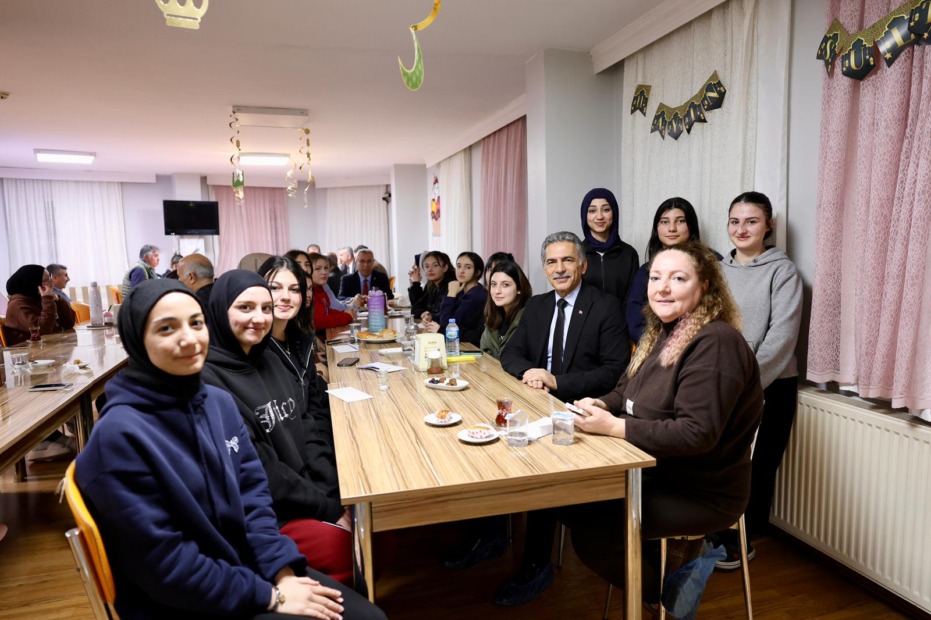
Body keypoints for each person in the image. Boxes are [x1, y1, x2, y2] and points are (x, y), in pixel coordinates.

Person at [73, 279, 384, 619]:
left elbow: (253, 500)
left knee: (367, 615)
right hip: (184, 601)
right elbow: (164, 567)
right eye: (166, 328)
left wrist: (283, 572)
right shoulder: (119, 437)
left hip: (244, 570)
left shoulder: (217, 403)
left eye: (196, 323)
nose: (189, 338)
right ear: (136, 339)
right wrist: (272, 596)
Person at [496, 241, 763, 609]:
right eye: (655, 278)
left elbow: (696, 433)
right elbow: (624, 390)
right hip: (653, 470)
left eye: (678, 278)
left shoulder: (715, 342)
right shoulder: (664, 332)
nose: (662, 288)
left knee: (593, 534)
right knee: (565, 502)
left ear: (704, 287)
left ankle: (670, 593)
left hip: (700, 491)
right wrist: (601, 403)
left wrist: (613, 427)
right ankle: (667, 568)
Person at [200, 271, 352, 586]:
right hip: (269, 513)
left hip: (305, 490)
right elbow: (262, 471)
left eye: (265, 309)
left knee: (375, 523)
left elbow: (307, 427)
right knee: (353, 549)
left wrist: (331, 492)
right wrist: (326, 507)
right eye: (245, 308)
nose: (259, 318)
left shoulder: (270, 358)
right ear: (220, 311)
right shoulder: (209, 381)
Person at [713, 191, 803, 569]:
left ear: (768, 226)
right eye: (735, 221)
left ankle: (742, 541)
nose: (742, 229)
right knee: (721, 462)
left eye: (751, 221)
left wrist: (743, 384)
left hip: (769, 384)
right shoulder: (716, 271)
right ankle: (716, 529)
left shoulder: (783, 272)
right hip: (719, 383)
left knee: (758, 465)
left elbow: (781, 339)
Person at [500, 232, 629, 404]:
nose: (559, 269)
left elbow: (614, 370)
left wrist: (556, 382)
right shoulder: (535, 305)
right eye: (551, 262)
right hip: (537, 397)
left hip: (581, 404)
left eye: (567, 260)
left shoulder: (606, 307)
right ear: (545, 270)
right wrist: (531, 373)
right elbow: (510, 352)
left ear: (583, 266)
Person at [258, 257, 333, 437]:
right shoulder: (255, 349)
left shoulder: (301, 340)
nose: (286, 297)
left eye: (295, 289)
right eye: (274, 288)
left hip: (315, 439)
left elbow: (314, 406)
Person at [626, 197, 712, 342]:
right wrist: (657, 347)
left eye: (680, 221)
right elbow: (635, 320)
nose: (672, 228)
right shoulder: (645, 271)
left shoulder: (710, 263)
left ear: (691, 226)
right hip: (653, 346)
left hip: (699, 344)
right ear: (657, 228)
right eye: (665, 222)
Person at [579, 188, 639, 308]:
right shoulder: (576, 253)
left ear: (614, 213)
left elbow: (632, 298)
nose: (599, 216)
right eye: (592, 211)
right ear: (585, 215)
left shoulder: (629, 253)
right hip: (584, 319)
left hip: (620, 319)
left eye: (606, 209)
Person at [424, 252, 487, 347]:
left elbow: (449, 325)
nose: (461, 271)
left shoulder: (476, 296)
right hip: (460, 343)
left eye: (468, 267)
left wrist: (450, 295)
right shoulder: (463, 290)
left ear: (477, 272)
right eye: (458, 266)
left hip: (470, 347)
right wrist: (432, 316)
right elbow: (451, 315)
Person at [4, 265, 77, 345]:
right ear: (33, 283)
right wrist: (47, 299)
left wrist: (59, 300)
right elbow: (43, 329)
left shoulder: (39, 298)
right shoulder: (17, 305)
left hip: (45, 346)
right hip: (27, 350)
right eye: (47, 279)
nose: (52, 282)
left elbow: (69, 323)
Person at [480, 260, 532, 359]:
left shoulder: (527, 318)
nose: (497, 291)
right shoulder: (493, 316)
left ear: (519, 289)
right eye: (493, 284)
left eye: (505, 285)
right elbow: (484, 352)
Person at [308, 253, 356, 333]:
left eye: (326, 268)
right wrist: (346, 316)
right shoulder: (310, 293)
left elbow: (327, 311)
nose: (324, 272)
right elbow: (320, 321)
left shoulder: (321, 288)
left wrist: (344, 313)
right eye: (318, 269)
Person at [407, 251, 454, 322]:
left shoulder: (452, 285)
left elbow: (441, 314)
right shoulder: (431, 285)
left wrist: (428, 315)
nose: (430, 270)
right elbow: (415, 308)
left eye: (435, 265)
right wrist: (415, 284)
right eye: (427, 266)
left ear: (445, 268)